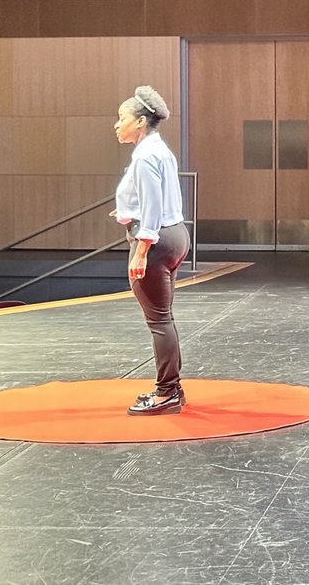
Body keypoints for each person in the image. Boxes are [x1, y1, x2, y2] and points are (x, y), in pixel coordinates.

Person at [112, 86, 191, 415]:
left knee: (159, 321)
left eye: (122, 119)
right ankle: (172, 387)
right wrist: (128, 212)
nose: (117, 125)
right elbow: (155, 199)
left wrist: (141, 249)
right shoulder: (159, 150)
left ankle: (167, 392)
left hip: (156, 240)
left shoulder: (145, 156)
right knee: (164, 318)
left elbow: (154, 205)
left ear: (140, 122)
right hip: (175, 234)